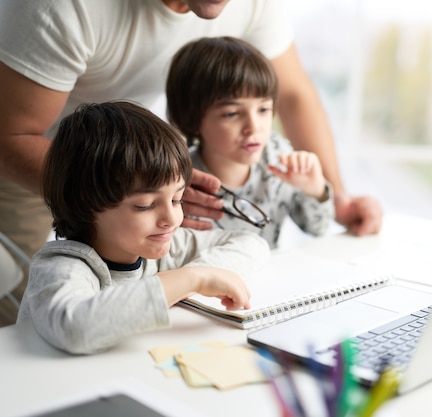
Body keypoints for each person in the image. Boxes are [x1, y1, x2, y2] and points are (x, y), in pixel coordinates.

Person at [0, 0, 382, 325]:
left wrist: (338, 197)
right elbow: (9, 136)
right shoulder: (66, 8)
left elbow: (294, 95)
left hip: (129, 154)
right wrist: (129, 189)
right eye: (232, 113)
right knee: (21, 315)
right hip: (36, 154)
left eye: (177, 199)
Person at [17, 101, 270, 354]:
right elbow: (74, 329)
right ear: (86, 202)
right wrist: (190, 279)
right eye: (145, 205)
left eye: (177, 199)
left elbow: (251, 244)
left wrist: (198, 276)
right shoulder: (60, 267)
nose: (171, 218)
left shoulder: (161, 245)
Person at [166, 36, 334, 248]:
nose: (254, 127)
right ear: (192, 119)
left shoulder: (277, 157)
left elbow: (317, 228)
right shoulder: (177, 181)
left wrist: (315, 189)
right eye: (232, 113)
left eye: (263, 109)